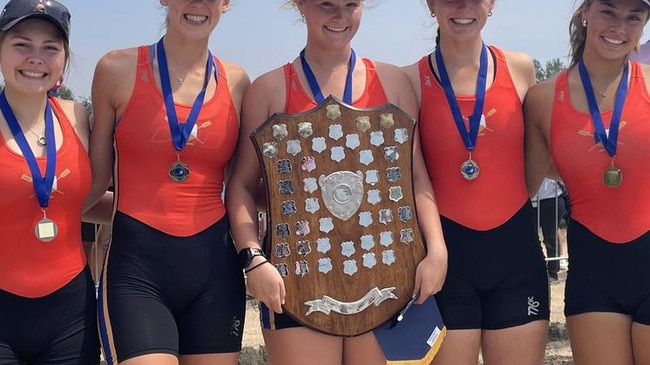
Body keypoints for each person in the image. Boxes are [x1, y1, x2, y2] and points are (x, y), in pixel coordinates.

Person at [225, 0, 448, 364]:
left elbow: (415, 177)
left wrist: (437, 249)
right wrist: (253, 259)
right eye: (325, 5)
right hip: (296, 282)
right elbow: (242, 186)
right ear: (300, 6)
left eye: (350, 5)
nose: (339, 17)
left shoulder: (393, 83)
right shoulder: (268, 89)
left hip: (385, 274)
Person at [84, 0, 250, 364]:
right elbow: (94, 183)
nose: (198, 4)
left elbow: (244, 187)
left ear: (225, 4)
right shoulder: (117, 69)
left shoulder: (237, 82)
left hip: (215, 272)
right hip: (137, 269)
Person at [402, 1, 550, 364]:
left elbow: (533, 162)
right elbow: (412, 175)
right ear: (431, 6)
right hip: (446, 263)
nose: (463, 6)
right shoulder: (409, 81)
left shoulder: (519, 68)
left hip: (515, 255)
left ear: (491, 4)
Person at [524, 0, 650, 363]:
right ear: (586, 13)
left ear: (643, 26)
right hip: (594, 274)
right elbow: (522, 190)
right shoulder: (543, 99)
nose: (619, 27)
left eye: (633, 17)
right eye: (608, 12)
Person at [0, 0, 100, 363]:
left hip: (70, 311)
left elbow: (82, 201)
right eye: (21, 44)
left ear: (64, 59)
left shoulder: (76, 117)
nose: (35, 58)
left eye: (50, 48)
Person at [533, 178, 567, 283]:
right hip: (533, 198)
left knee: (550, 236)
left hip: (552, 197)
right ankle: (538, 267)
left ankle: (553, 271)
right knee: (531, 236)